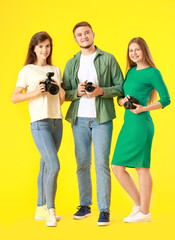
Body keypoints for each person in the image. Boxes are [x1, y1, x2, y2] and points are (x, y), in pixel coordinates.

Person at [62, 21, 124, 226]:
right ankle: (85, 205)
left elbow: (120, 88)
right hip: (78, 119)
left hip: (102, 119)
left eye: (87, 33)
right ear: (75, 39)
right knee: (82, 164)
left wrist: (101, 91)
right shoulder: (72, 63)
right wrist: (77, 92)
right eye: (79, 35)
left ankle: (104, 209)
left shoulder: (108, 58)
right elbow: (65, 93)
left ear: (93, 34)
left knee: (101, 164)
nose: (84, 37)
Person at [111, 37, 170, 223]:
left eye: (137, 50)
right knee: (117, 167)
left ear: (144, 50)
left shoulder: (153, 73)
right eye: (130, 51)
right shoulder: (130, 72)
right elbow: (120, 99)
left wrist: (144, 108)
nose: (134, 53)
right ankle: (140, 206)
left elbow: (166, 99)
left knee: (141, 167)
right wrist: (123, 101)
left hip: (141, 124)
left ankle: (145, 213)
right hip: (128, 123)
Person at [11, 31, 65, 227]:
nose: (45, 49)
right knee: (54, 165)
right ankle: (51, 210)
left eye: (48, 46)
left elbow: (61, 100)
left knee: (45, 166)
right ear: (34, 48)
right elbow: (14, 97)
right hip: (40, 123)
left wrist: (59, 88)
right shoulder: (27, 70)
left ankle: (40, 208)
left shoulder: (56, 69)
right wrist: (34, 92)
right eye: (41, 46)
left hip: (56, 122)